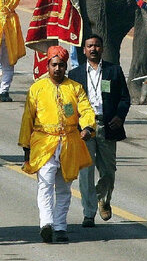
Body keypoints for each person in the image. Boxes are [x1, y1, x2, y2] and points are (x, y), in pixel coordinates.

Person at [18, 46, 96, 244]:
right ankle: (46, 224)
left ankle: (60, 227)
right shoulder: (37, 89)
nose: (58, 69)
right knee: (45, 186)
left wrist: (87, 127)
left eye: (61, 65)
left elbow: (86, 110)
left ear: (66, 66)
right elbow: (27, 119)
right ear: (48, 66)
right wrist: (26, 148)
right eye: (54, 65)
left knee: (63, 189)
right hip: (44, 144)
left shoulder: (75, 88)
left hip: (69, 143)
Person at [67, 34, 130, 227]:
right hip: (85, 129)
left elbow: (124, 98)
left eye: (96, 46)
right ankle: (89, 213)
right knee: (86, 172)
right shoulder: (75, 75)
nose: (93, 49)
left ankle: (103, 198)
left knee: (108, 171)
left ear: (102, 49)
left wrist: (119, 116)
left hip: (107, 126)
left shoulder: (114, 71)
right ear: (84, 50)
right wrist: (72, 124)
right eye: (89, 46)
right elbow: (70, 105)